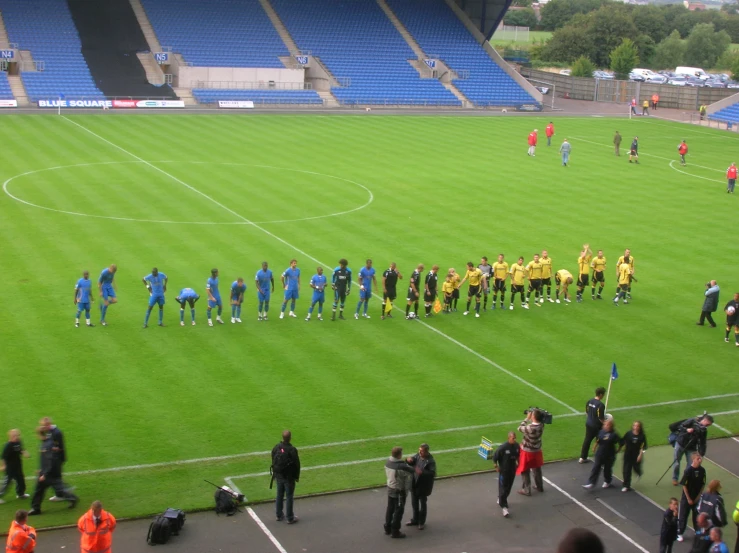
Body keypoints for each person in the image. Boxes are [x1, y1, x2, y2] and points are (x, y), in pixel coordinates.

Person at [29, 423, 78, 515]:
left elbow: (49, 461)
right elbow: (44, 460)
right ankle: (36, 508)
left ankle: (73, 498)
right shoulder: (46, 443)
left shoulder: (47, 445)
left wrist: (44, 474)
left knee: (58, 488)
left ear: (40, 434)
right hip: (45, 472)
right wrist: (40, 469)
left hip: (49, 474)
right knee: (39, 490)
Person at [672, 414, 713, 486]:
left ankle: (685, 480)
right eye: (707, 424)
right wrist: (687, 430)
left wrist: (701, 454)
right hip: (680, 444)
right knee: (676, 462)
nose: (707, 426)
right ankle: (675, 478)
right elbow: (680, 426)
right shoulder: (692, 421)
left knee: (691, 465)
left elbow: (703, 442)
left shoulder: (703, 430)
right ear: (705, 420)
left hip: (691, 447)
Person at [271, 430, 300, 524]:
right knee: (289, 496)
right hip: (288, 477)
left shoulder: (277, 447)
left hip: (278, 475)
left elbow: (273, 458)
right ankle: (290, 517)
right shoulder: (292, 450)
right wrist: (296, 476)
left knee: (279, 494)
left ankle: (279, 515)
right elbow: (296, 464)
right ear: (290, 438)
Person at [582, 417, 620, 489]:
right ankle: (591, 483)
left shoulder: (614, 434)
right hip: (600, 453)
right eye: (605, 424)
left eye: (607, 425)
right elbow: (598, 440)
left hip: (609, 455)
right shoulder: (601, 431)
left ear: (611, 426)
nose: (605, 426)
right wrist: (594, 446)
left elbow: (621, 442)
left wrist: (618, 449)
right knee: (596, 467)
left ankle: (607, 481)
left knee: (607, 469)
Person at [384, 447, 413, 539]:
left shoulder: (388, 462)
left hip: (390, 487)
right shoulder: (401, 466)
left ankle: (387, 527)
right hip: (399, 491)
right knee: (399, 511)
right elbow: (411, 471)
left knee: (390, 508)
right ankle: (395, 531)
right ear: (399, 455)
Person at [677, 454, 707, 542]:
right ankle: (679, 532)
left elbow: (703, 484)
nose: (700, 460)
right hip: (687, 498)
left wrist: (698, 497)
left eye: (700, 458)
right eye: (698, 459)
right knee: (683, 515)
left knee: (697, 515)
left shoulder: (702, 470)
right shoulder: (688, 471)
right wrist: (688, 498)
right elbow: (684, 485)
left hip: (696, 498)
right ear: (693, 460)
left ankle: (697, 531)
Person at [406, 444, 436, 530]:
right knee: (414, 504)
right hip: (414, 483)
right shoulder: (418, 456)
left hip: (423, 486)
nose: (419, 452)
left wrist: (421, 472)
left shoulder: (430, 461)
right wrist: (408, 460)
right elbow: (411, 461)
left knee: (423, 505)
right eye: (419, 450)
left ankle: (421, 522)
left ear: (426, 452)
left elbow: (432, 473)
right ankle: (415, 519)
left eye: (421, 451)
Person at [516, 409, 544, 496]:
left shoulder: (530, 428)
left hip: (527, 452)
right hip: (537, 450)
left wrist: (526, 418)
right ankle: (539, 486)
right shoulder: (542, 425)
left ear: (533, 417)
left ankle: (526, 490)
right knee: (537, 468)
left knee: (524, 470)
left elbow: (520, 428)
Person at [493, 432, 519, 518]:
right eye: (513, 438)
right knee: (503, 488)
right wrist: (496, 466)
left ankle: (501, 499)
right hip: (504, 471)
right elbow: (495, 457)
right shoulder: (503, 447)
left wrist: (518, 463)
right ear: (509, 438)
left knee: (508, 488)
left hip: (512, 471)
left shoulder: (516, 446)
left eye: (515, 438)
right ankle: (504, 507)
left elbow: (518, 455)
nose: (514, 440)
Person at [0, 430, 30, 503]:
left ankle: (20, 494)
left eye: (18, 435)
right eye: (15, 436)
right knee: (7, 483)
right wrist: (3, 466)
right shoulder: (8, 445)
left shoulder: (18, 442)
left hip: (18, 466)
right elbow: (3, 457)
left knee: (21, 481)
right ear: (11, 437)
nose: (17, 437)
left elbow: (20, 449)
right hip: (10, 468)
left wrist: (24, 453)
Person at [579, 387, 605, 464]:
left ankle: (582, 458)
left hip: (588, 423)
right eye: (603, 394)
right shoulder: (600, 405)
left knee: (587, 440)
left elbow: (587, 412)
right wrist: (605, 424)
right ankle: (600, 458)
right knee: (600, 441)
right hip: (597, 426)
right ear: (600, 394)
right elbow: (601, 418)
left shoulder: (589, 401)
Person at [621, 420, 647, 492]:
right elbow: (623, 441)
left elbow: (643, 446)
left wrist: (640, 455)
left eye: (637, 426)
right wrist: (620, 448)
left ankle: (639, 473)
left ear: (640, 427)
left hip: (636, 455)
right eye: (634, 425)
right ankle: (626, 485)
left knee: (636, 467)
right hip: (627, 455)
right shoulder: (628, 434)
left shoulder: (642, 436)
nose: (636, 427)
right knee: (626, 470)